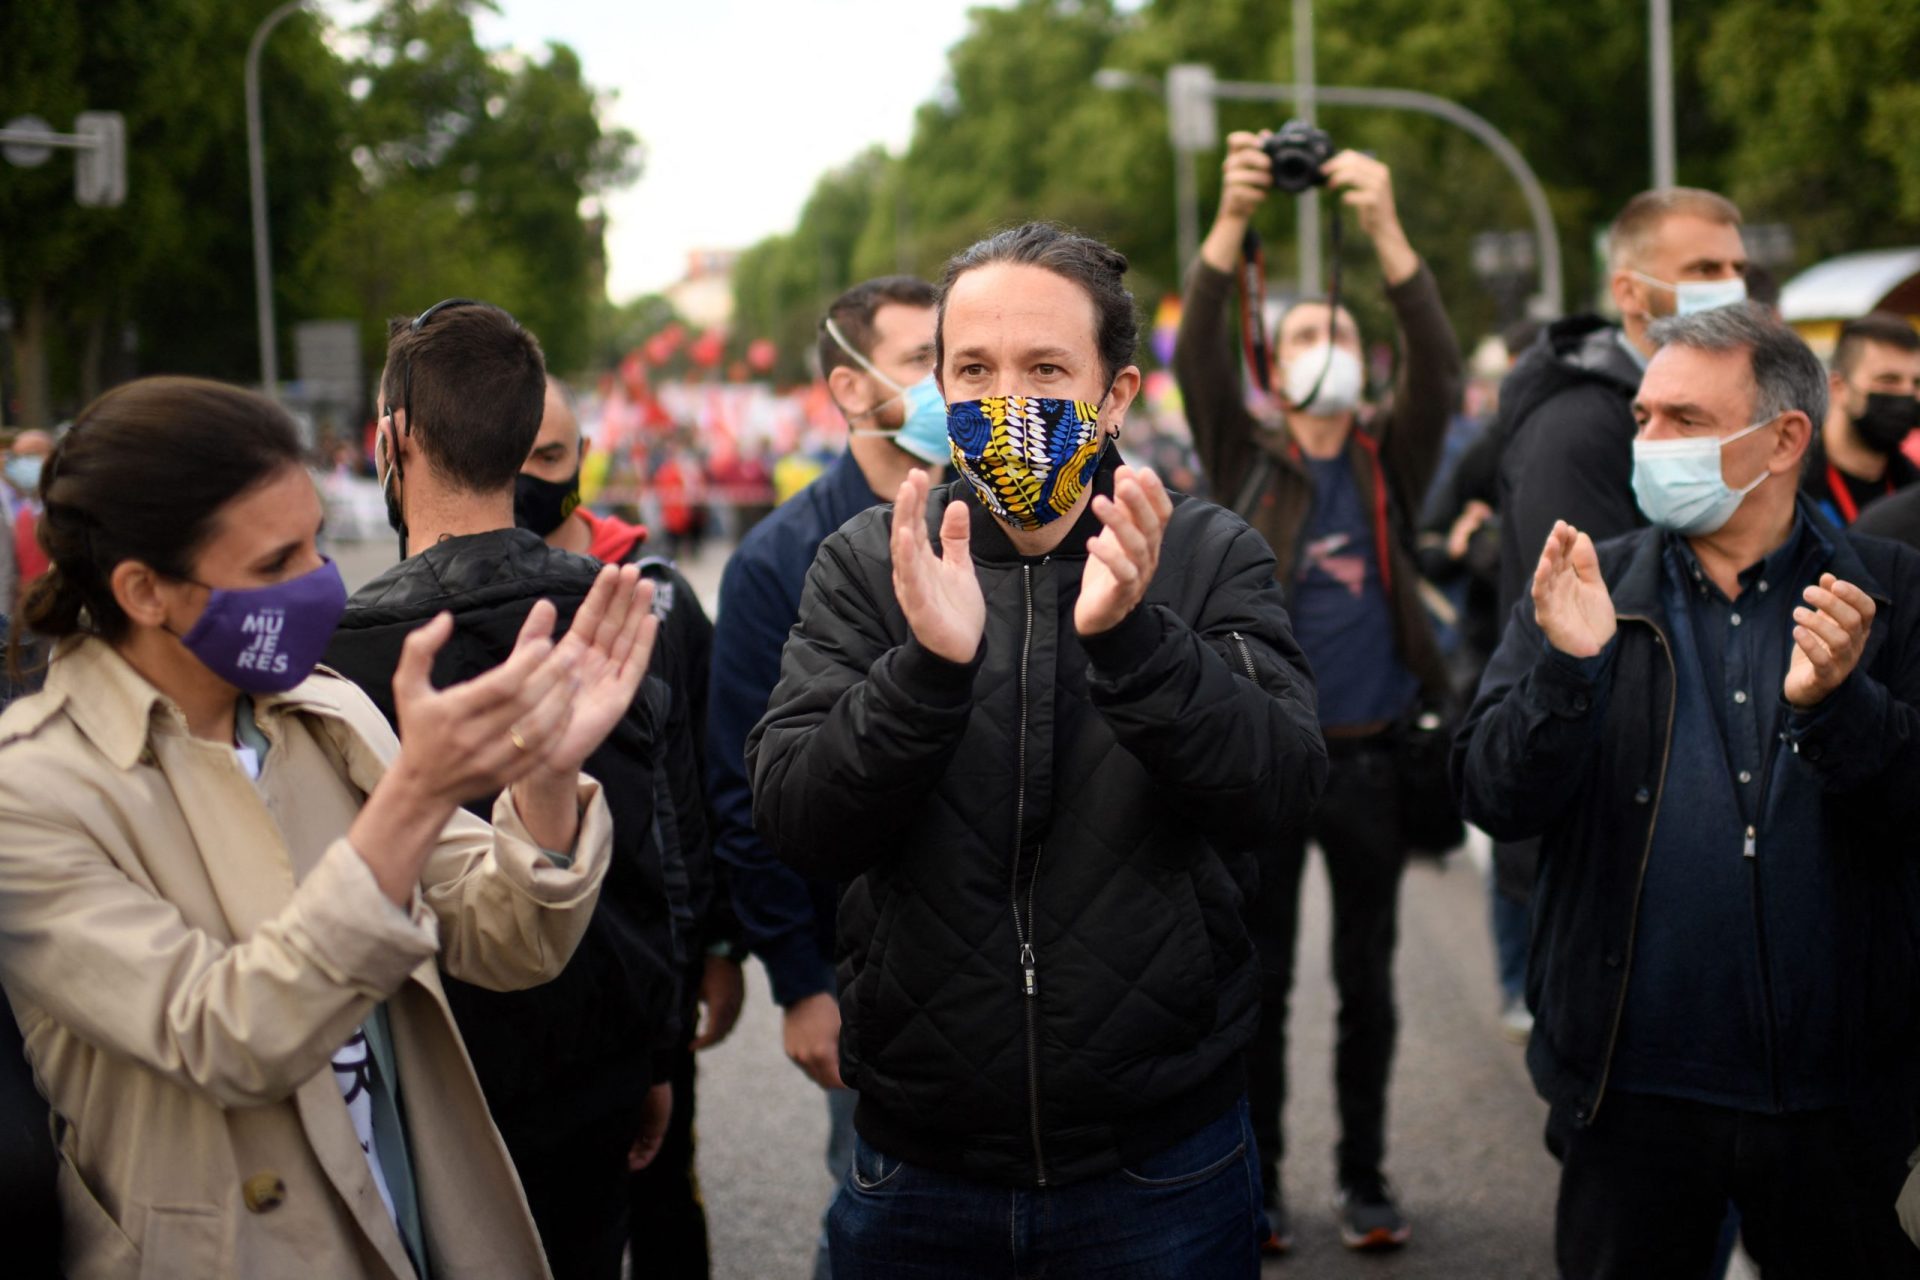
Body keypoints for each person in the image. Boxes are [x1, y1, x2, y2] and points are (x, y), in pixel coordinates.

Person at [749, 222, 1326, 1279]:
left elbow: (1281, 787)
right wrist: (925, 672)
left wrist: (1141, 644)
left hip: (1158, 1163)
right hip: (918, 1166)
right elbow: (797, 815)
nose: (1007, 399)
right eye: (973, 368)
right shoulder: (870, 563)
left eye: (1046, 368)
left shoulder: (1202, 555)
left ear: (1115, 395)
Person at [0, 375, 652, 1278]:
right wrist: (417, 796)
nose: (319, 582)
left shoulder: (320, 711)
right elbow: (226, 1034)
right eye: (274, 565)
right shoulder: (32, 790)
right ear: (144, 590)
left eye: (315, 543)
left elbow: (506, 938)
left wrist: (544, 775)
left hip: (407, 1219)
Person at [1455, 303, 1920, 1279]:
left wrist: (1843, 709)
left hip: (1833, 1100)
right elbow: (1494, 793)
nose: (1652, 442)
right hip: (1630, 1094)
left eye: (1685, 421)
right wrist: (1566, 674)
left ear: (1785, 437)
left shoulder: (1887, 594)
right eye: (1645, 418)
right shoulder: (1588, 589)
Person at [321, 302, 679, 1280]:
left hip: (423, 1067)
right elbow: (652, 852)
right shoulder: (611, 609)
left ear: (392, 439)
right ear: (533, 443)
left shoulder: (339, 651)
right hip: (591, 1048)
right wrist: (657, 1050)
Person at [1173, 129, 1462, 1251]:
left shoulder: (1392, 455)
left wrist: (1385, 228)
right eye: (1299, 331)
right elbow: (1198, 345)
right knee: (1261, 987)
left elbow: (1434, 360)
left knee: (1368, 988)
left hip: (1376, 759)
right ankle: (1260, 1182)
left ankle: (1366, 1175)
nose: (1322, 345)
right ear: (1270, 356)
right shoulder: (1242, 452)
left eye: (1336, 328)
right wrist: (1233, 218)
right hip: (1262, 766)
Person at [707, 273, 943, 1280]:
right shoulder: (777, 562)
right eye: (927, 361)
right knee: (882, 1214)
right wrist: (802, 984)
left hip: (1013, 964)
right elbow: (740, 787)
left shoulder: (1017, 520)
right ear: (851, 390)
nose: (954, 387)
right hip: (864, 978)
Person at [517, 374, 744, 1277]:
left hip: (649, 980)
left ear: (582, 461)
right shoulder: (435, 606)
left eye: (552, 455)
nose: (534, 477)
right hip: (515, 990)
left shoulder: (657, 598)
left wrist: (721, 946)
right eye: (516, 457)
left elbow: (707, 786)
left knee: (660, 1208)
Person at [1802, 312, 1920, 527]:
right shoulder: (1791, 487)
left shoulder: (1911, 483)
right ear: (1838, 388)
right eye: (1888, 380)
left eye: (1916, 383)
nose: (1907, 394)